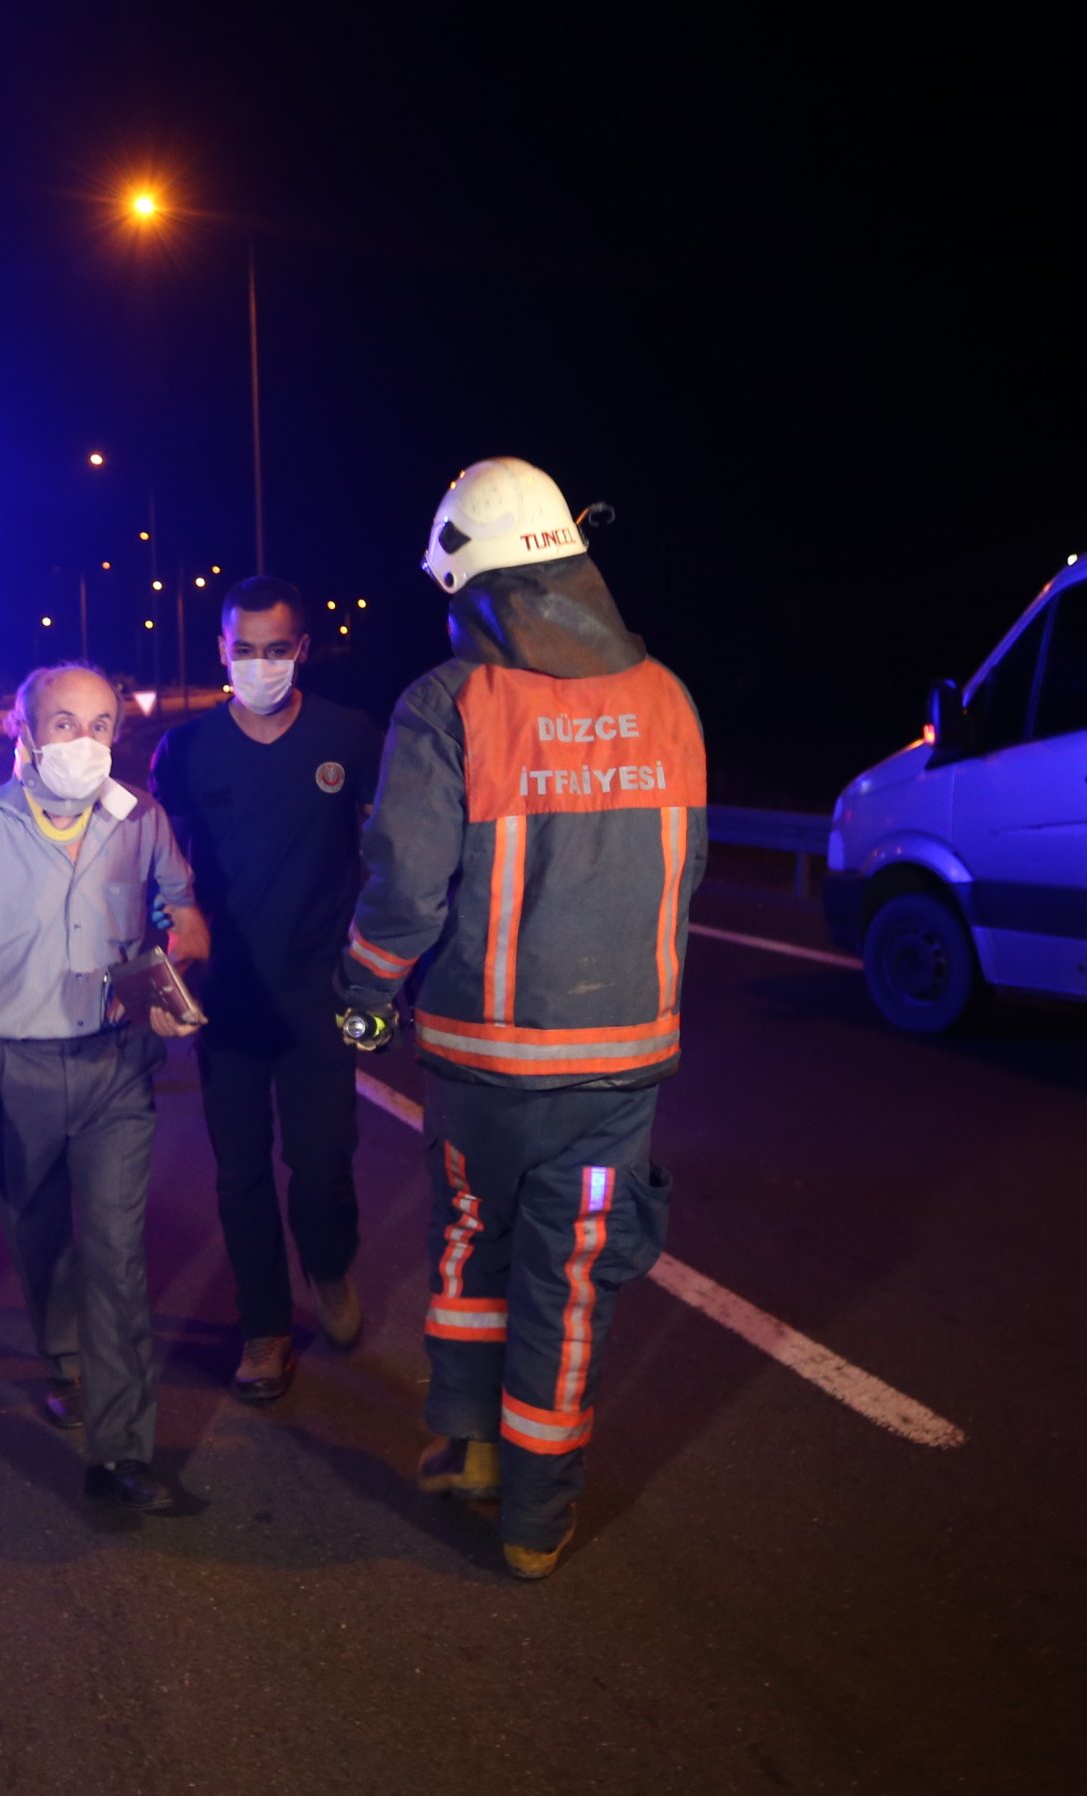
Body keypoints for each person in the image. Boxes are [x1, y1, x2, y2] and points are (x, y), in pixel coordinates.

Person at [336, 458, 707, 1578]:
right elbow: (685, 873)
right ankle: (538, 1523)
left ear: (470, 582)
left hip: (484, 1061)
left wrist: (365, 995)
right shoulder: (668, 695)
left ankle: (469, 1447)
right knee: (570, 1281)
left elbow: (407, 888)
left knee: (472, 1239)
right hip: (622, 1065)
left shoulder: (447, 703)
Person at [0, 663, 209, 1511]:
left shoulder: (140, 820)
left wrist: (171, 980)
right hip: (14, 1071)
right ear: (25, 731)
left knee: (117, 1257)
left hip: (117, 1069)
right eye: (66, 723)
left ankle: (123, 1454)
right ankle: (65, 1360)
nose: (85, 741)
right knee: (39, 1239)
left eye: (102, 724)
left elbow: (186, 919)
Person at [151, 578, 382, 1403]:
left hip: (322, 994)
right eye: (244, 649)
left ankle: (328, 1262)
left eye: (276, 649)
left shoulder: (349, 737)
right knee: (239, 1170)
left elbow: (391, 852)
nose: (259, 664)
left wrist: (385, 963)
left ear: (302, 650)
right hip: (230, 1000)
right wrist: (164, 958)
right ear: (221, 651)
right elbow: (160, 867)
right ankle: (264, 1329)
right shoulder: (184, 752)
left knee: (321, 1161)